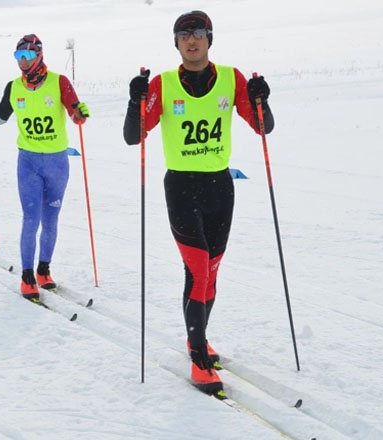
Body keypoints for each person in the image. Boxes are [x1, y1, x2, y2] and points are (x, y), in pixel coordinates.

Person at [122, 10, 274, 397]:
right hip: (182, 187)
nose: (192, 40)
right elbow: (133, 136)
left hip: (220, 188)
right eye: (184, 35)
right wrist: (134, 100)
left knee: (212, 270)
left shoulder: (231, 78)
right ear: (176, 43)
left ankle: (201, 338)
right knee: (198, 271)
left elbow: (262, 127)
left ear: (210, 38)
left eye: (199, 33)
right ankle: (198, 357)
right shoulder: (164, 83)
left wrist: (261, 100)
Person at [0, 34, 89, 302]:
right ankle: (27, 276)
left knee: (51, 220)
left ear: (39, 55)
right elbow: (0, 118)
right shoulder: (14, 87)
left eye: (26, 56)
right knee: (31, 218)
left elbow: (75, 113)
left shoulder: (59, 82)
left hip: (57, 163)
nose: (22, 62)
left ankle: (43, 270)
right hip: (28, 162)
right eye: (18, 57)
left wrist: (80, 113)